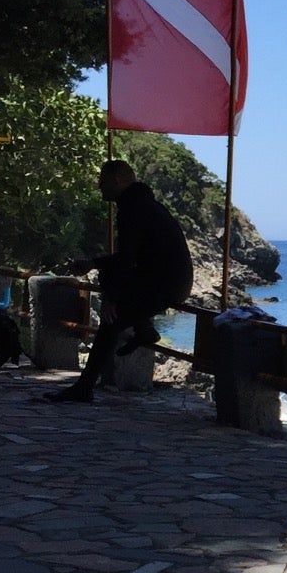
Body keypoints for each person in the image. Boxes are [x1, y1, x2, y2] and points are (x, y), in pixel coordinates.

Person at [43, 160, 193, 404]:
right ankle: (143, 330)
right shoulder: (143, 204)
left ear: (117, 180)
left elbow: (126, 260)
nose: (98, 186)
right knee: (109, 282)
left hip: (164, 284)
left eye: (102, 181)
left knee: (110, 323)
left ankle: (84, 387)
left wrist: (111, 298)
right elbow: (130, 258)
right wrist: (93, 263)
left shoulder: (132, 209)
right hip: (173, 281)